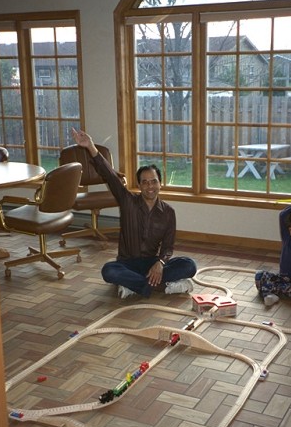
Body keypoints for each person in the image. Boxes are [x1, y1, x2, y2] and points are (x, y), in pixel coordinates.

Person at [71, 128, 197, 299]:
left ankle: (134, 285)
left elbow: (168, 247)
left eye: (154, 181)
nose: (150, 186)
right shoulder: (127, 201)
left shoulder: (168, 212)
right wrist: (90, 146)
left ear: (160, 184)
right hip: (127, 264)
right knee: (109, 271)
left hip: (152, 262)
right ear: (139, 185)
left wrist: (160, 263)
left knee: (189, 265)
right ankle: (159, 286)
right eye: (145, 182)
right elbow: (110, 176)